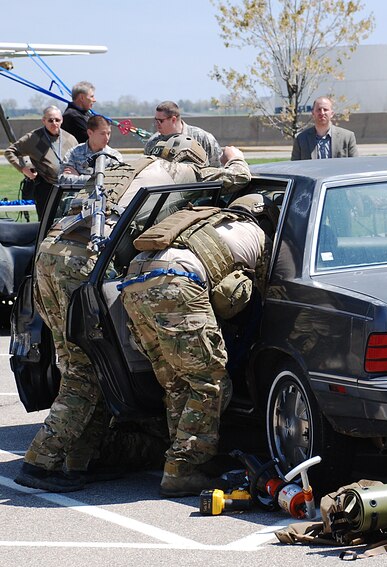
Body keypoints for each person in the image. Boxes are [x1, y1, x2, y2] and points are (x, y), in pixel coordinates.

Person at [13, 136, 252, 494]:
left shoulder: (125, 167)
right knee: (84, 373)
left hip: (50, 256)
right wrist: (234, 156)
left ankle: (78, 460)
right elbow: (237, 177)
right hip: (84, 263)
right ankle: (42, 461)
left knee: (78, 364)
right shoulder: (178, 169)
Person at [119, 194, 275, 497]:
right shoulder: (260, 235)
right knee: (210, 383)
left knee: (178, 381)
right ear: (264, 217)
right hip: (176, 281)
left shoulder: (206, 222)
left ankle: (181, 459)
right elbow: (267, 293)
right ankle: (183, 469)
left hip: (135, 282)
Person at [4, 105, 77, 217]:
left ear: (62, 120)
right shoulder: (33, 138)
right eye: (50, 120)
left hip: (68, 189)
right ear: (44, 121)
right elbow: (10, 152)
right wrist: (23, 169)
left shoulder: (70, 139)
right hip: (46, 189)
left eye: (57, 120)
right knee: (47, 226)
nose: (54, 123)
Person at [144, 100, 222, 167]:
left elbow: (218, 169)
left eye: (160, 121)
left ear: (173, 119)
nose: (156, 123)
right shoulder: (152, 143)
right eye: (155, 120)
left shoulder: (202, 138)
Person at [60, 115, 124, 184]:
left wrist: (79, 177)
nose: (107, 138)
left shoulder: (114, 156)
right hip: (75, 194)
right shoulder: (74, 153)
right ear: (90, 133)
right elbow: (63, 180)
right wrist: (97, 178)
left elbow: (114, 181)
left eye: (108, 133)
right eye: (102, 134)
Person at [291, 96, 359, 160]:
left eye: (325, 109)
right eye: (319, 110)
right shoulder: (301, 139)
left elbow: (355, 165)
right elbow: (295, 167)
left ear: (332, 114)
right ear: (313, 113)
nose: (322, 113)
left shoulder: (347, 137)